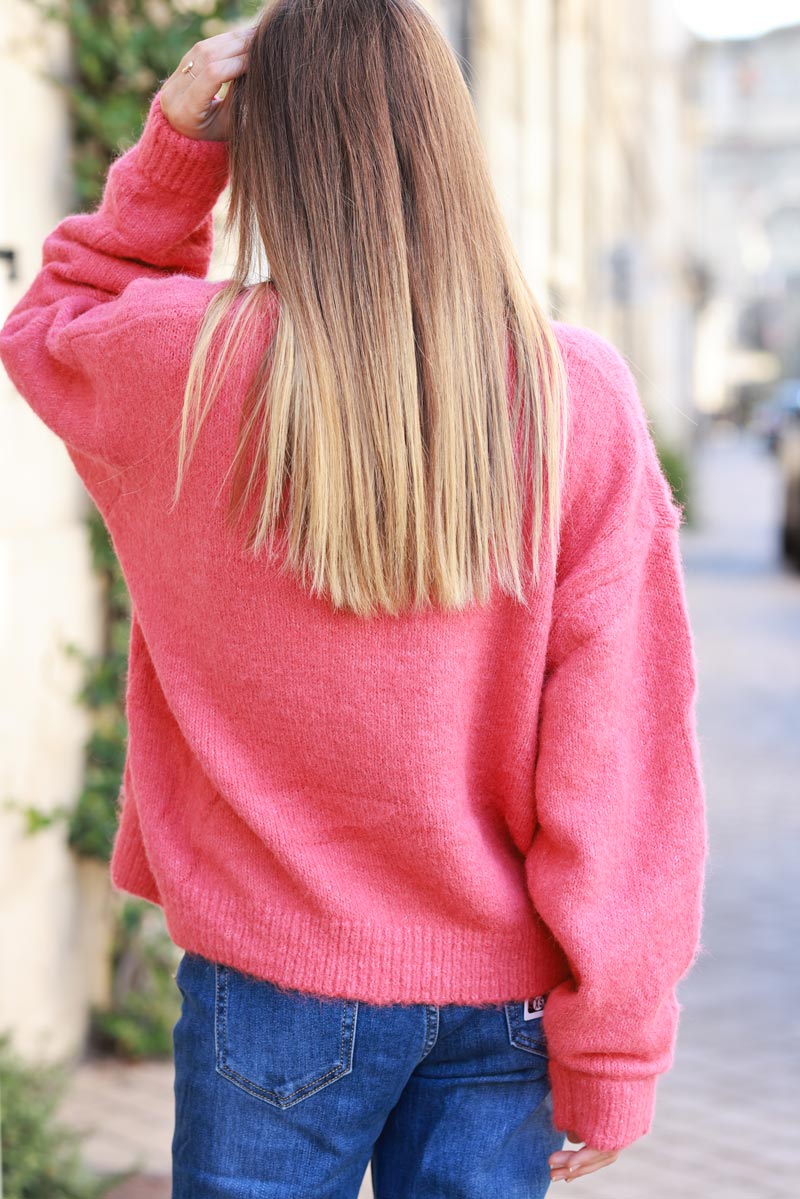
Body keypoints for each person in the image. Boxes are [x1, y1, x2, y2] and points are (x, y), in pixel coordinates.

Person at [0, 3, 708, 1196]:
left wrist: (177, 143)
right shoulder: (571, 395)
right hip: (504, 1004)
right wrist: (614, 1044)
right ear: (448, 141)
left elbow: (49, 323)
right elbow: (620, 757)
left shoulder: (184, 367)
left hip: (266, 992)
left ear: (269, 151)